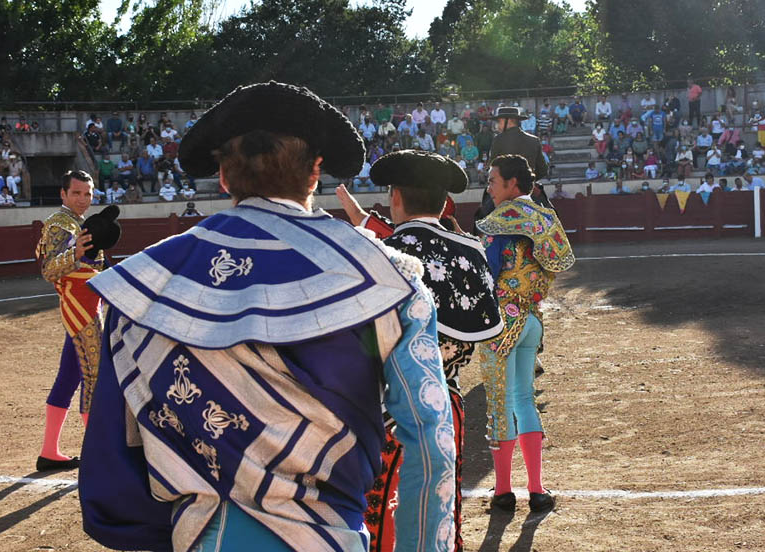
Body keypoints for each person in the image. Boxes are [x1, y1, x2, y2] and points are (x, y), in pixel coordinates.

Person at [80, 82, 456, 552]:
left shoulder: (142, 285)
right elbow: (430, 440)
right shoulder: (387, 278)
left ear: (222, 176)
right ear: (315, 172)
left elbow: (114, 472)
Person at [336, 151, 502, 552]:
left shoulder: (385, 254)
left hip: (389, 409)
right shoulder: (471, 251)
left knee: (382, 520)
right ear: (444, 203)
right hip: (448, 403)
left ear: (395, 197)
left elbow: (362, 343)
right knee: (440, 512)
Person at [477, 155, 573, 514]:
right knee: (525, 399)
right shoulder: (545, 216)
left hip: (503, 321)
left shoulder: (499, 222)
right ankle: (537, 489)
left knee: (499, 405)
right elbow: (556, 264)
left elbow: (489, 272)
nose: (488, 186)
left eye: (493, 181)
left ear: (512, 184)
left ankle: (503, 491)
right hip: (532, 317)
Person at [33, 172, 117, 471]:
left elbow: (101, 264)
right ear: (63, 194)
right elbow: (48, 270)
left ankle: (49, 451)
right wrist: (75, 252)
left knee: (70, 375)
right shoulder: (59, 223)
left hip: (87, 303)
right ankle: (99, 452)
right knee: (94, 376)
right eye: (77, 193)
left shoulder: (81, 223)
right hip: (79, 307)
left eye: (88, 194)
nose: (83, 199)